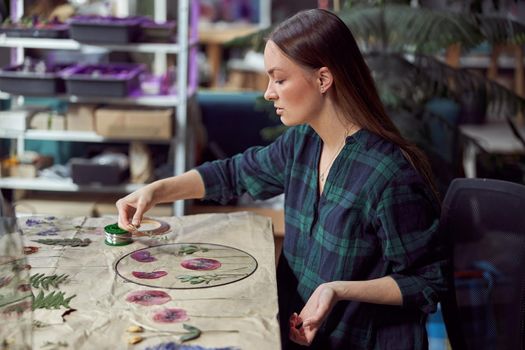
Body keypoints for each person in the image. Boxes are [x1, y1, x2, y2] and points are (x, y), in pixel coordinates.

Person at [116, 8, 448, 350]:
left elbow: (429, 280)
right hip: (293, 334)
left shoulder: (388, 173)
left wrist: (336, 289)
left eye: (279, 79)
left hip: (357, 341)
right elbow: (234, 173)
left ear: (323, 79)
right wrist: (156, 190)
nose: (268, 93)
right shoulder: (302, 144)